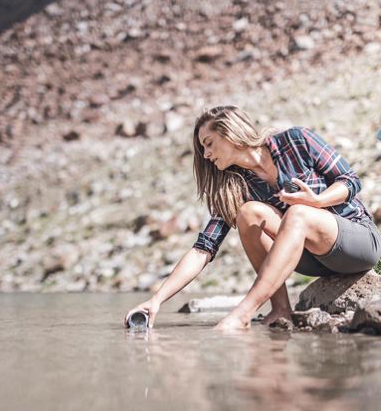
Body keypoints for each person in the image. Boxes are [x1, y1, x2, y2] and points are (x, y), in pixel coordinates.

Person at [124, 106, 381, 331]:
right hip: (312, 260)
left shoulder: (296, 140)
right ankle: (281, 310)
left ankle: (243, 313)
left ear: (231, 134)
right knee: (249, 214)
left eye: (209, 143)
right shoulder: (236, 186)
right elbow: (203, 248)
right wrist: (156, 300)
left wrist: (317, 201)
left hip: (356, 243)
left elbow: (350, 180)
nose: (206, 155)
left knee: (298, 213)